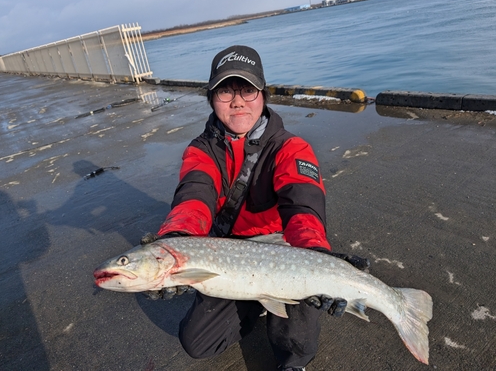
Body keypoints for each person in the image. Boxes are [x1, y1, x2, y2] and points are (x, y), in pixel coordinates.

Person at [149, 45, 369, 371]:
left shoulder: (291, 148)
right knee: (198, 342)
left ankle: (294, 360)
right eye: (225, 91)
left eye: (247, 90)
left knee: (300, 330)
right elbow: (193, 197)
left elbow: (304, 205)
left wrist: (315, 253)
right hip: (229, 251)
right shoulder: (201, 150)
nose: (237, 101)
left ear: (262, 95)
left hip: (286, 249)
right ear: (211, 98)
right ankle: (256, 304)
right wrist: (176, 238)